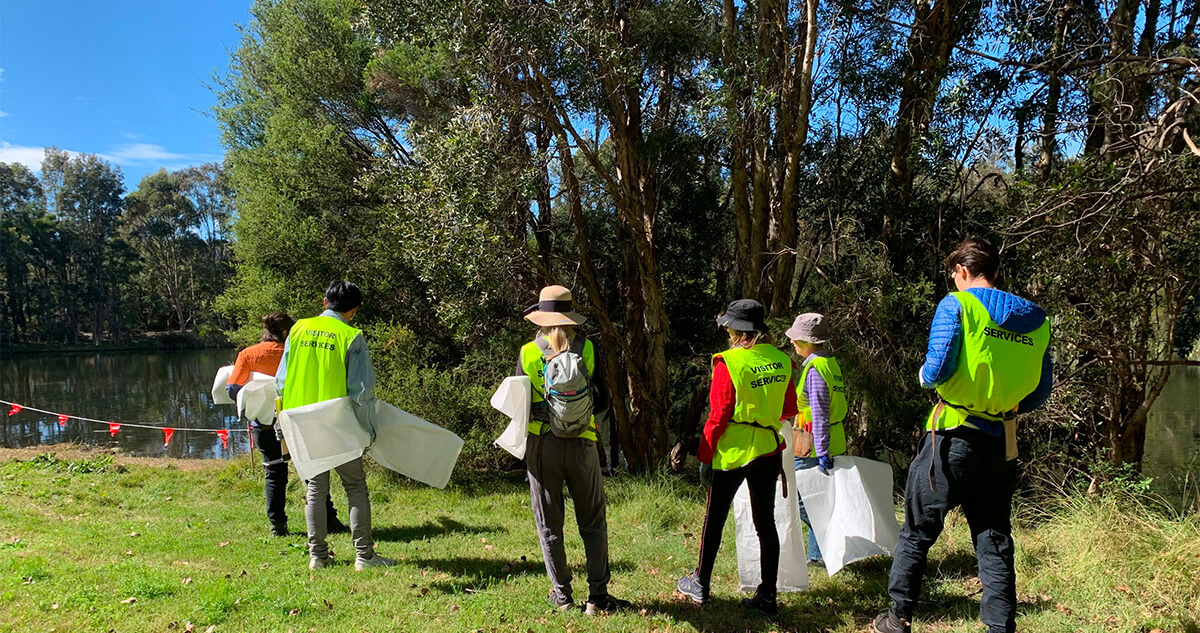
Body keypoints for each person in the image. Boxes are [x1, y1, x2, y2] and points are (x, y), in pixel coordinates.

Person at [873, 238, 1052, 633]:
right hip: (1000, 442)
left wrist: (923, 376)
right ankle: (999, 626)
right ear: (996, 272)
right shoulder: (1038, 321)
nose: (954, 281)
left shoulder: (957, 305)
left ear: (963, 271)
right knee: (994, 538)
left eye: (954, 275)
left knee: (918, 531)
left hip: (952, 437)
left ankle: (897, 617)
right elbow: (1040, 392)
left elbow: (936, 369)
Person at [676, 299, 798, 617]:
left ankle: (700, 583)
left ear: (736, 330)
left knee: (714, 519)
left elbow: (719, 413)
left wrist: (704, 453)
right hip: (768, 448)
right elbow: (789, 409)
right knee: (765, 523)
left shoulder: (728, 362)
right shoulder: (782, 360)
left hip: (732, 449)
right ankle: (768, 597)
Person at [516, 285, 630, 616]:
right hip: (583, 443)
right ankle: (597, 598)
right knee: (593, 520)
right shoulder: (588, 349)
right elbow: (604, 401)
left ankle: (563, 596)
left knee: (549, 523)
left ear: (541, 318)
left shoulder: (527, 353)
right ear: (570, 317)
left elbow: (518, 404)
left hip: (542, 444)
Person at [275, 281, 394, 571]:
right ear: (353, 310)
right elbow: (361, 392)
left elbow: (280, 381)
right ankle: (365, 556)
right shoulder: (351, 336)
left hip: (303, 421)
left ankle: (318, 556)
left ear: (324, 301)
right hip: (338, 423)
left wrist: (282, 421)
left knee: (316, 489)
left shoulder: (298, 329)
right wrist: (369, 430)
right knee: (355, 486)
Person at [226, 312, 347, 538]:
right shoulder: (299, 352)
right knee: (314, 471)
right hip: (301, 419)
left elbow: (233, 389)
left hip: (264, 423)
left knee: (274, 473)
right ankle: (329, 519)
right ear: (285, 333)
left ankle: (278, 526)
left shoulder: (248, 354)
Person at [785, 312, 847, 569]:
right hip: (833, 440)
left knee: (802, 501)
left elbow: (820, 412)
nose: (792, 343)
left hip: (812, 445)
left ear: (807, 342)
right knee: (819, 500)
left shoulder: (815, 370)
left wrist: (821, 452)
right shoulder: (830, 364)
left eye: (796, 339)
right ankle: (818, 556)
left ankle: (824, 549)